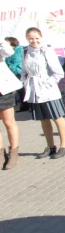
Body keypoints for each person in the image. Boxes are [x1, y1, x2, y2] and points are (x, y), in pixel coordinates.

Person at [21, 27, 65, 159]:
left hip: (48, 90)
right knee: (43, 118)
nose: (34, 41)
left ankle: (64, 145)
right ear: (27, 38)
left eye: (37, 38)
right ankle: (50, 146)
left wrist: (47, 83)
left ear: (41, 37)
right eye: (31, 38)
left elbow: (58, 72)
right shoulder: (25, 51)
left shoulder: (47, 50)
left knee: (57, 117)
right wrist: (25, 83)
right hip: (34, 91)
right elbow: (24, 71)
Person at [0, 39, 22, 170]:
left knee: (9, 122)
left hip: (4, 90)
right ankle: (1, 153)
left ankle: (14, 153)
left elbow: (9, 51)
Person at [4, 37, 27, 112]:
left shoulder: (18, 49)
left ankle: (25, 105)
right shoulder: (9, 51)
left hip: (18, 71)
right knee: (18, 90)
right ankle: (23, 105)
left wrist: (10, 68)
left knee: (21, 89)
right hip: (12, 72)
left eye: (7, 42)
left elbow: (16, 61)